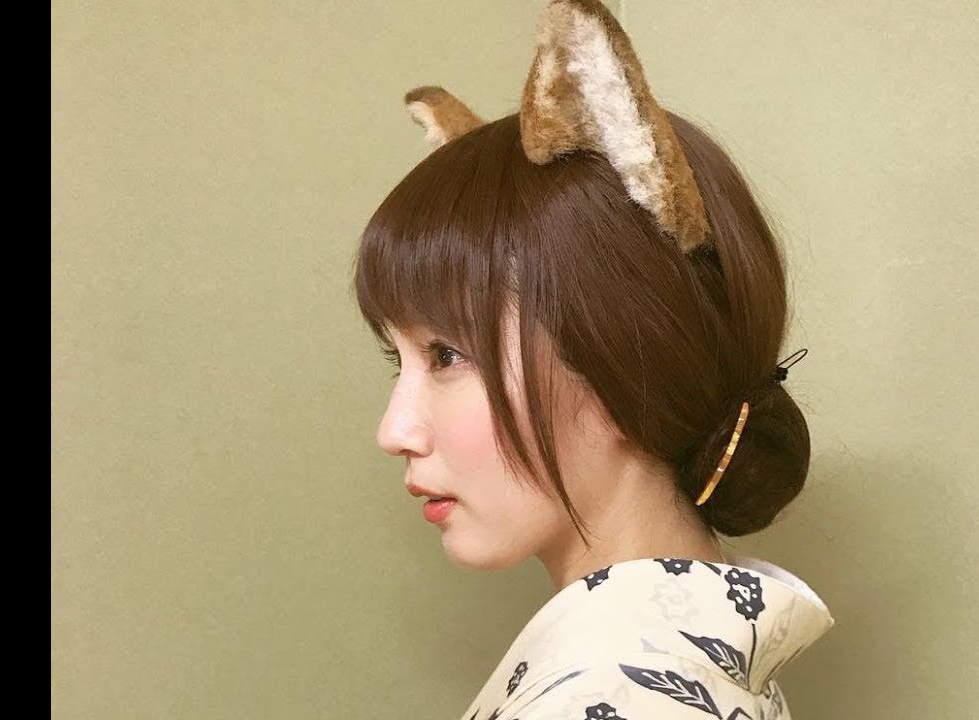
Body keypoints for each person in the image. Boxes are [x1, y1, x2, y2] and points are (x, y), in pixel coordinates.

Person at [354, 1, 833, 717]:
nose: (394, 430)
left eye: (447, 354)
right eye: (402, 362)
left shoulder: (618, 697)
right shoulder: (672, 668)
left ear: (628, 355)